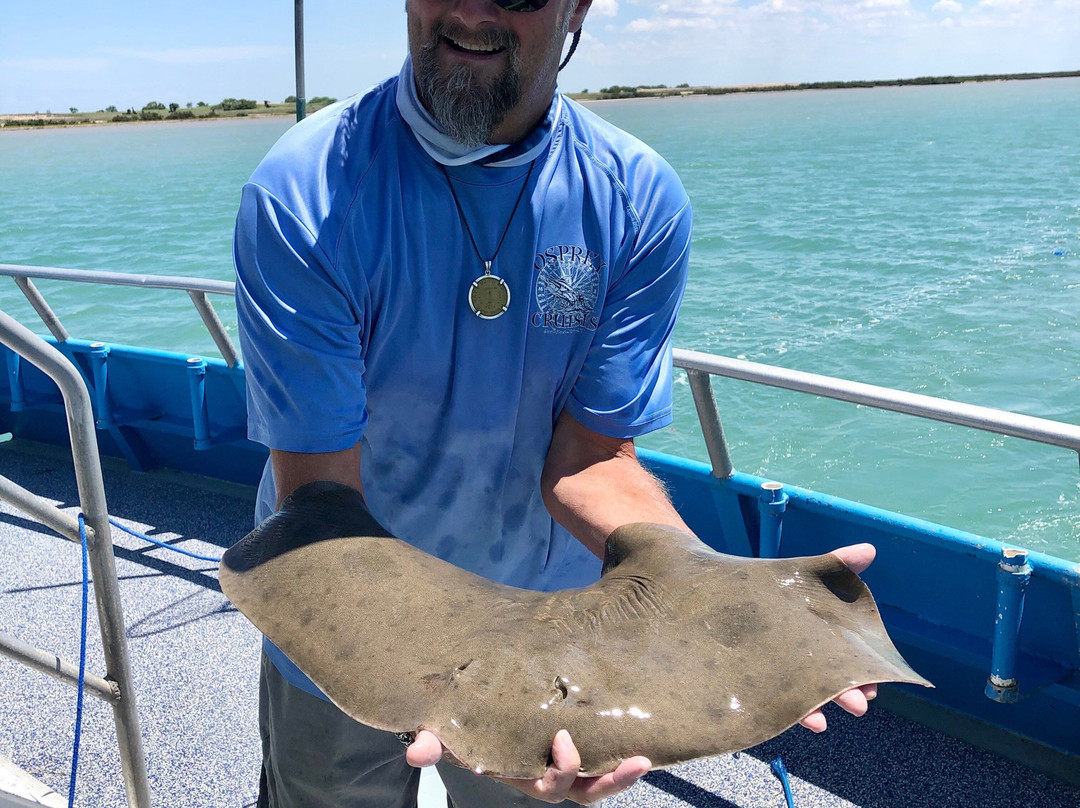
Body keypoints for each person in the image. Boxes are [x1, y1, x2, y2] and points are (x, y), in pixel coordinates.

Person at [233, 0, 876, 805]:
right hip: (340, 615)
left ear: (578, 7)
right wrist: (450, 679)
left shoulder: (637, 198)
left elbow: (593, 460)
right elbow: (321, 499)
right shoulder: (305, 192)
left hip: (553, 638)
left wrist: (714, 601)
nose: (471, 9)